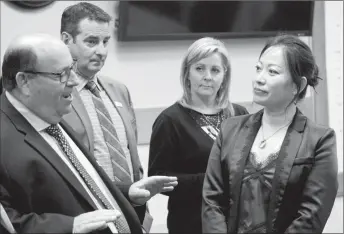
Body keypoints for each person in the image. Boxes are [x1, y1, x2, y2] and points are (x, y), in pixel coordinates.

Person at [0, 33, 177, 234]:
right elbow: (7, 222)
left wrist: (126, 193)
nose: (74, 81)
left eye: (72, 69)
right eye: (62, 74)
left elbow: (75, 183)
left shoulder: (49, 114)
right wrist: (69, 226)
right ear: (24, 81)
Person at [202, 34, 338, 233]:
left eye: (272, 72)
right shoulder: (230, 129)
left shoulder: (320, 141)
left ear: (297, 86)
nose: (259, 78)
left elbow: (311, 216)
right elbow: (212, 200)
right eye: (258, 68)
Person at [59, 3, 153, 231]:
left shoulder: (118, 90)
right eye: (91, 41)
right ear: (66, 40)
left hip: (132, 214)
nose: (101, 51)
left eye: (105, 42)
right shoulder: (57, 93)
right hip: (87, 218)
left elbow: (132, 159)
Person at [148, 37, 249, 234]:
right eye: (200, 68)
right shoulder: (170, 120)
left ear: (224, 75)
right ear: (187, 73)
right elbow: (158, 179)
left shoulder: (240, 114)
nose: (208, 76)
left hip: (239, 221)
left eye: (215, 70)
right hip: (192, 223)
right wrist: (212, 180)